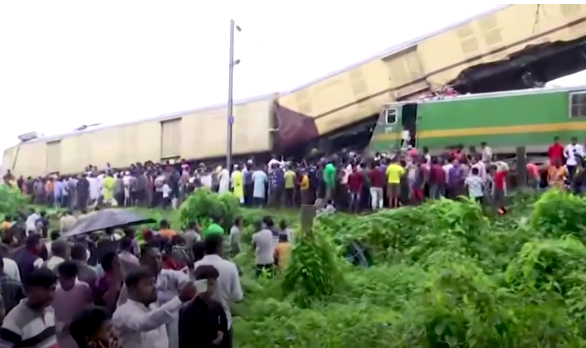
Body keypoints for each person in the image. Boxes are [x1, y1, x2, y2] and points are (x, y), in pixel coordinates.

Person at [112, 267, 196, 348]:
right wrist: (180, 299)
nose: (154, 287)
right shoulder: (123, 312)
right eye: (148, 284)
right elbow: (144, 323)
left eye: (154, 283)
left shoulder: (154, 307)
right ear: (132, 289)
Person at [193, 234, 243, 348]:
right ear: (220, 247)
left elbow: (192, 294)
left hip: (198, 322)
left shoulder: (195, 266)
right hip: (223, 322)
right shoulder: (230, 267)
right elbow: (237, 296)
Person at [0, 268, 58, 348]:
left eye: (53, 289)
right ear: (29, 291)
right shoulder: (14, 323)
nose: (50, 295)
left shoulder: (49, 311)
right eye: (45, 290)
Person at [178, 265, 227, 348]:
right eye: (209, 284)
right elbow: (185, 343)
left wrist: (221, 333)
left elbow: (223, 327)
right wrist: (214, 343)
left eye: (213, 283)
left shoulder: (217, 307)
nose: (212, 287)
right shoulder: (188, 311)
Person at [53, 261, 93, 348]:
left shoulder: (84, 289)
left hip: (79, 331)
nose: (62, 283)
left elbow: (88, 310)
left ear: (73, 277)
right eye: (60, 279)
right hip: (60, 332)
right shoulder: (55, 291)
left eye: (65, 279)